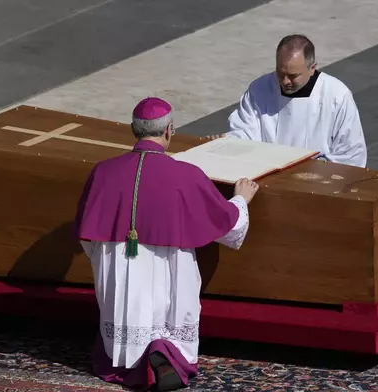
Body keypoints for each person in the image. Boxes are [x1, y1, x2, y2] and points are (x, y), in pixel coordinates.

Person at [74, 97, 259, 391]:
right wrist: (240, 199)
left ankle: (126, 359)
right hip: (168, 268)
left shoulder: (103, 171)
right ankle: (166, 356)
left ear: (133, 129)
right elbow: (227, 223)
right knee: (168, 304)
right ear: (169, 130)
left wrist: (109, 256)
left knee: (126, 307)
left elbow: (86, 235)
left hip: (121, 270)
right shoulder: (186, 175)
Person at [219, 34, 367, 167]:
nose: (285, 81)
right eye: (280, 73)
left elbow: (350, 152)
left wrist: (312, 169)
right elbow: (244, 133)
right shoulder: (259, 89)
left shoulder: (336, 96)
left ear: (312, 68)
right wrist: (227, 142)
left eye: (292, 75)